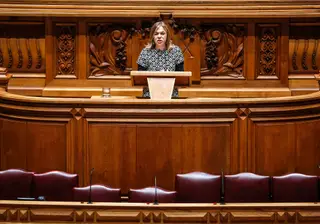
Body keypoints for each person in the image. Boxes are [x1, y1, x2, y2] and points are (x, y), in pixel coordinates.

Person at [137, 21, 184, 98]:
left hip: (171, 93)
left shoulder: (176, 51)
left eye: (162, 33)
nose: (159, 36)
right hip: (150, 93)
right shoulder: (145, 52)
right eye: (156, 34)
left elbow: (181, 77)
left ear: (167, 35)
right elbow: (139, 78)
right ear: (152, 36)